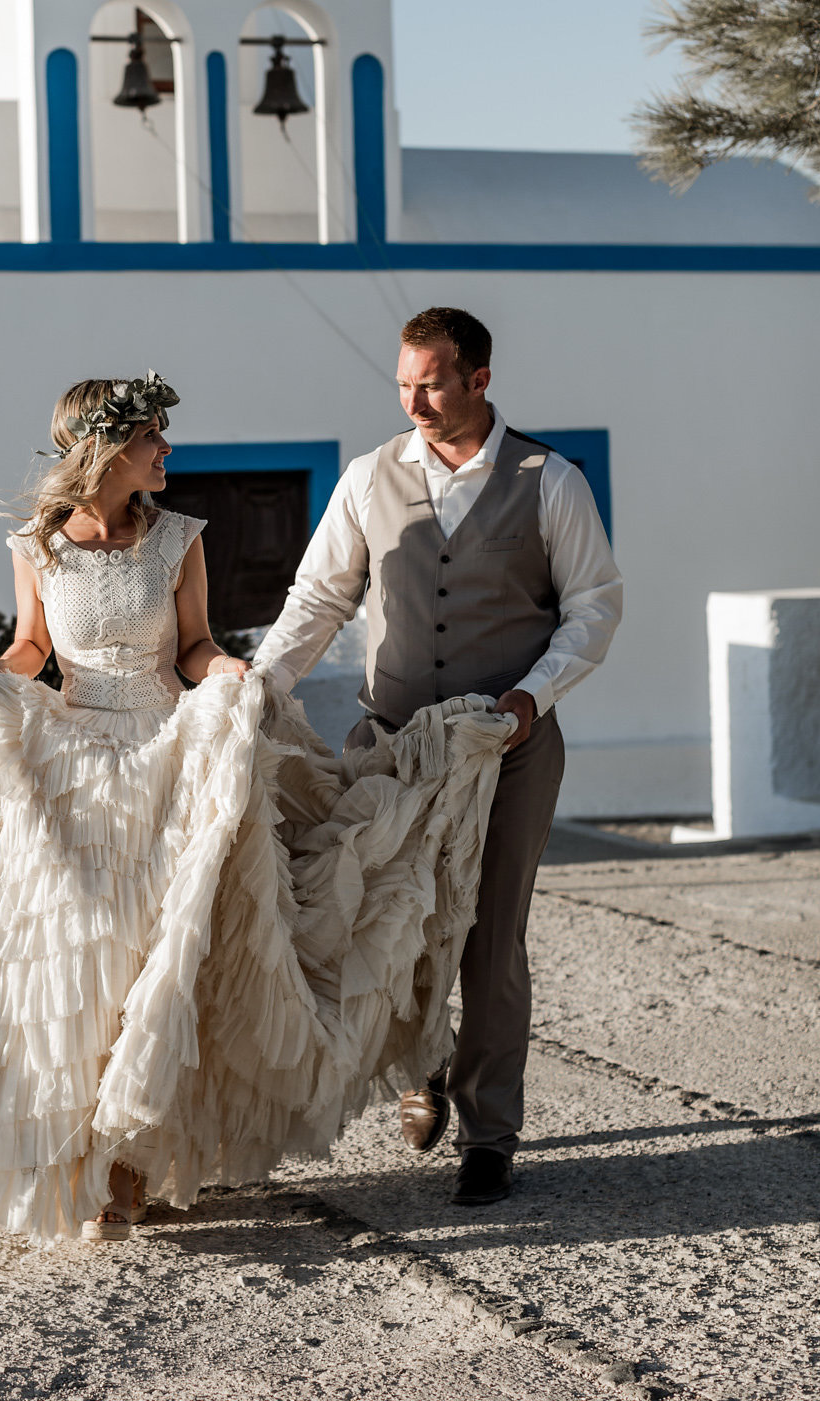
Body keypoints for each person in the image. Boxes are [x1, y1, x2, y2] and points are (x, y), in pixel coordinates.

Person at [0, 371, 519, 1243]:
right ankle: (76, 1154)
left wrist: (237, 680)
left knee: (157, 953)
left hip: (162, 752)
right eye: (153, 436)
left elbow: (194, 647)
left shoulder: (179, 537)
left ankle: (123, 1168)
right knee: (72, 955)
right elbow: (34, 644)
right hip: (70, 758)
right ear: (108, 448)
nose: (167, 450)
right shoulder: (37, 544)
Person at [253, 308, 623, 1207]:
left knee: (490, 941)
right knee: (386, 924)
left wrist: (532, 696)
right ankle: (420, 1071)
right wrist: (257, 687)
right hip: (390, 743)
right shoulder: (364, 477)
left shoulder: (550, 479)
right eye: (403, 385)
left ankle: (490, 1136)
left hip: (510, 748)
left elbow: (594, 607)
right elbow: (318, 599)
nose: (413, 401)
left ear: (477, 381)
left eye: (430, 382)